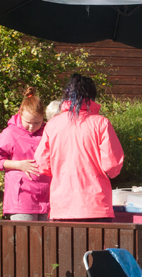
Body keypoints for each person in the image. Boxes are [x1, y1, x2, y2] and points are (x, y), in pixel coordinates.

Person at [34, 74, 124, 222]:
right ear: (92, 96)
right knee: (98, 246)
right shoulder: (101, 123)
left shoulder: (53, 124)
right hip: (96, 206)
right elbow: (112, 166)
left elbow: (43, 164)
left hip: (62, 206)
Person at [0, 87, 51, 221]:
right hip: (22, 198)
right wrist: (19, 165)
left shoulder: (48, 132)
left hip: (47, 198)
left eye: (36, 123)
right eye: (28, 122)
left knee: (48, 240)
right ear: (20, 114)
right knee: (25, 240)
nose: (32, 127)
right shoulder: (10, 133)